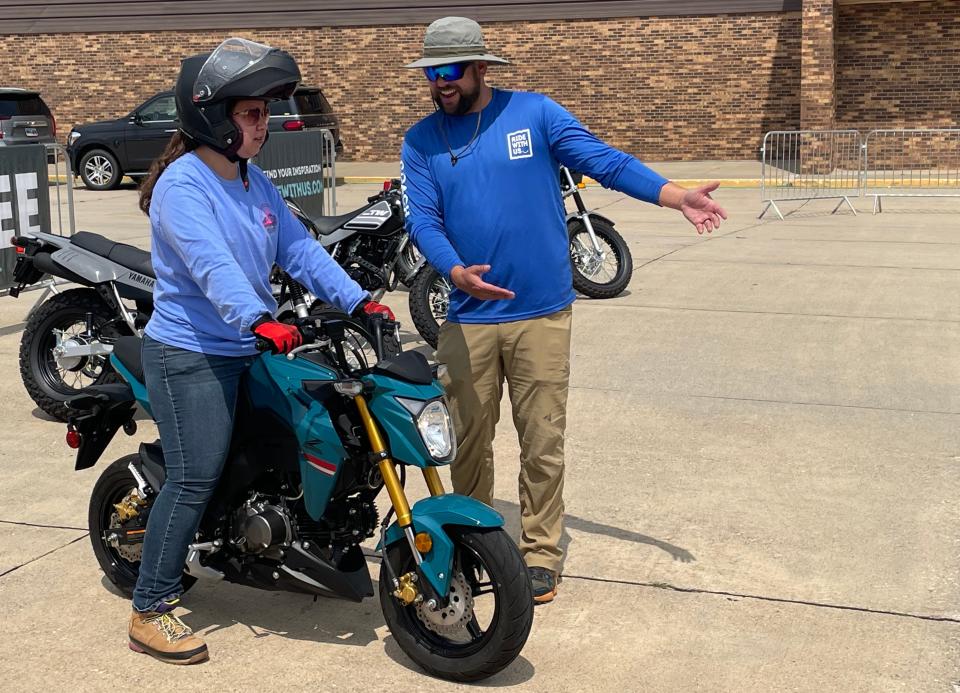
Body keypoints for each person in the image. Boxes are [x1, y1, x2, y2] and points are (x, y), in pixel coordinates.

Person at [400, 17, 727, 605]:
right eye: (431, 74)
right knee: (468, 440)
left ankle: (541, 550)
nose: (439, 83)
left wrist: (676, 196)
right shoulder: (420, 140)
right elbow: (424, 219)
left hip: (542, 314)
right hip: (469, 318)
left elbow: (608, 163)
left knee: (542, 439)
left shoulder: (536, 114)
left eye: (449, 71)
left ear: (480, 68)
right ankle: (474, 541)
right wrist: (453, 270)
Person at [129, 38, 393, 664]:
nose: (263, 125)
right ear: (214, 118)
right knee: (195, 474)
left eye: (265, 113)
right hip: (191, 352)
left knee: (310, 431)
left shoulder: (254, 183)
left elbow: (299, 251)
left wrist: (360, 302)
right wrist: (257, 317)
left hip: (246, 344)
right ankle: (150, 605)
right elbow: (212, 266)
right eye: (250, 114)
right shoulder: (182, 187)